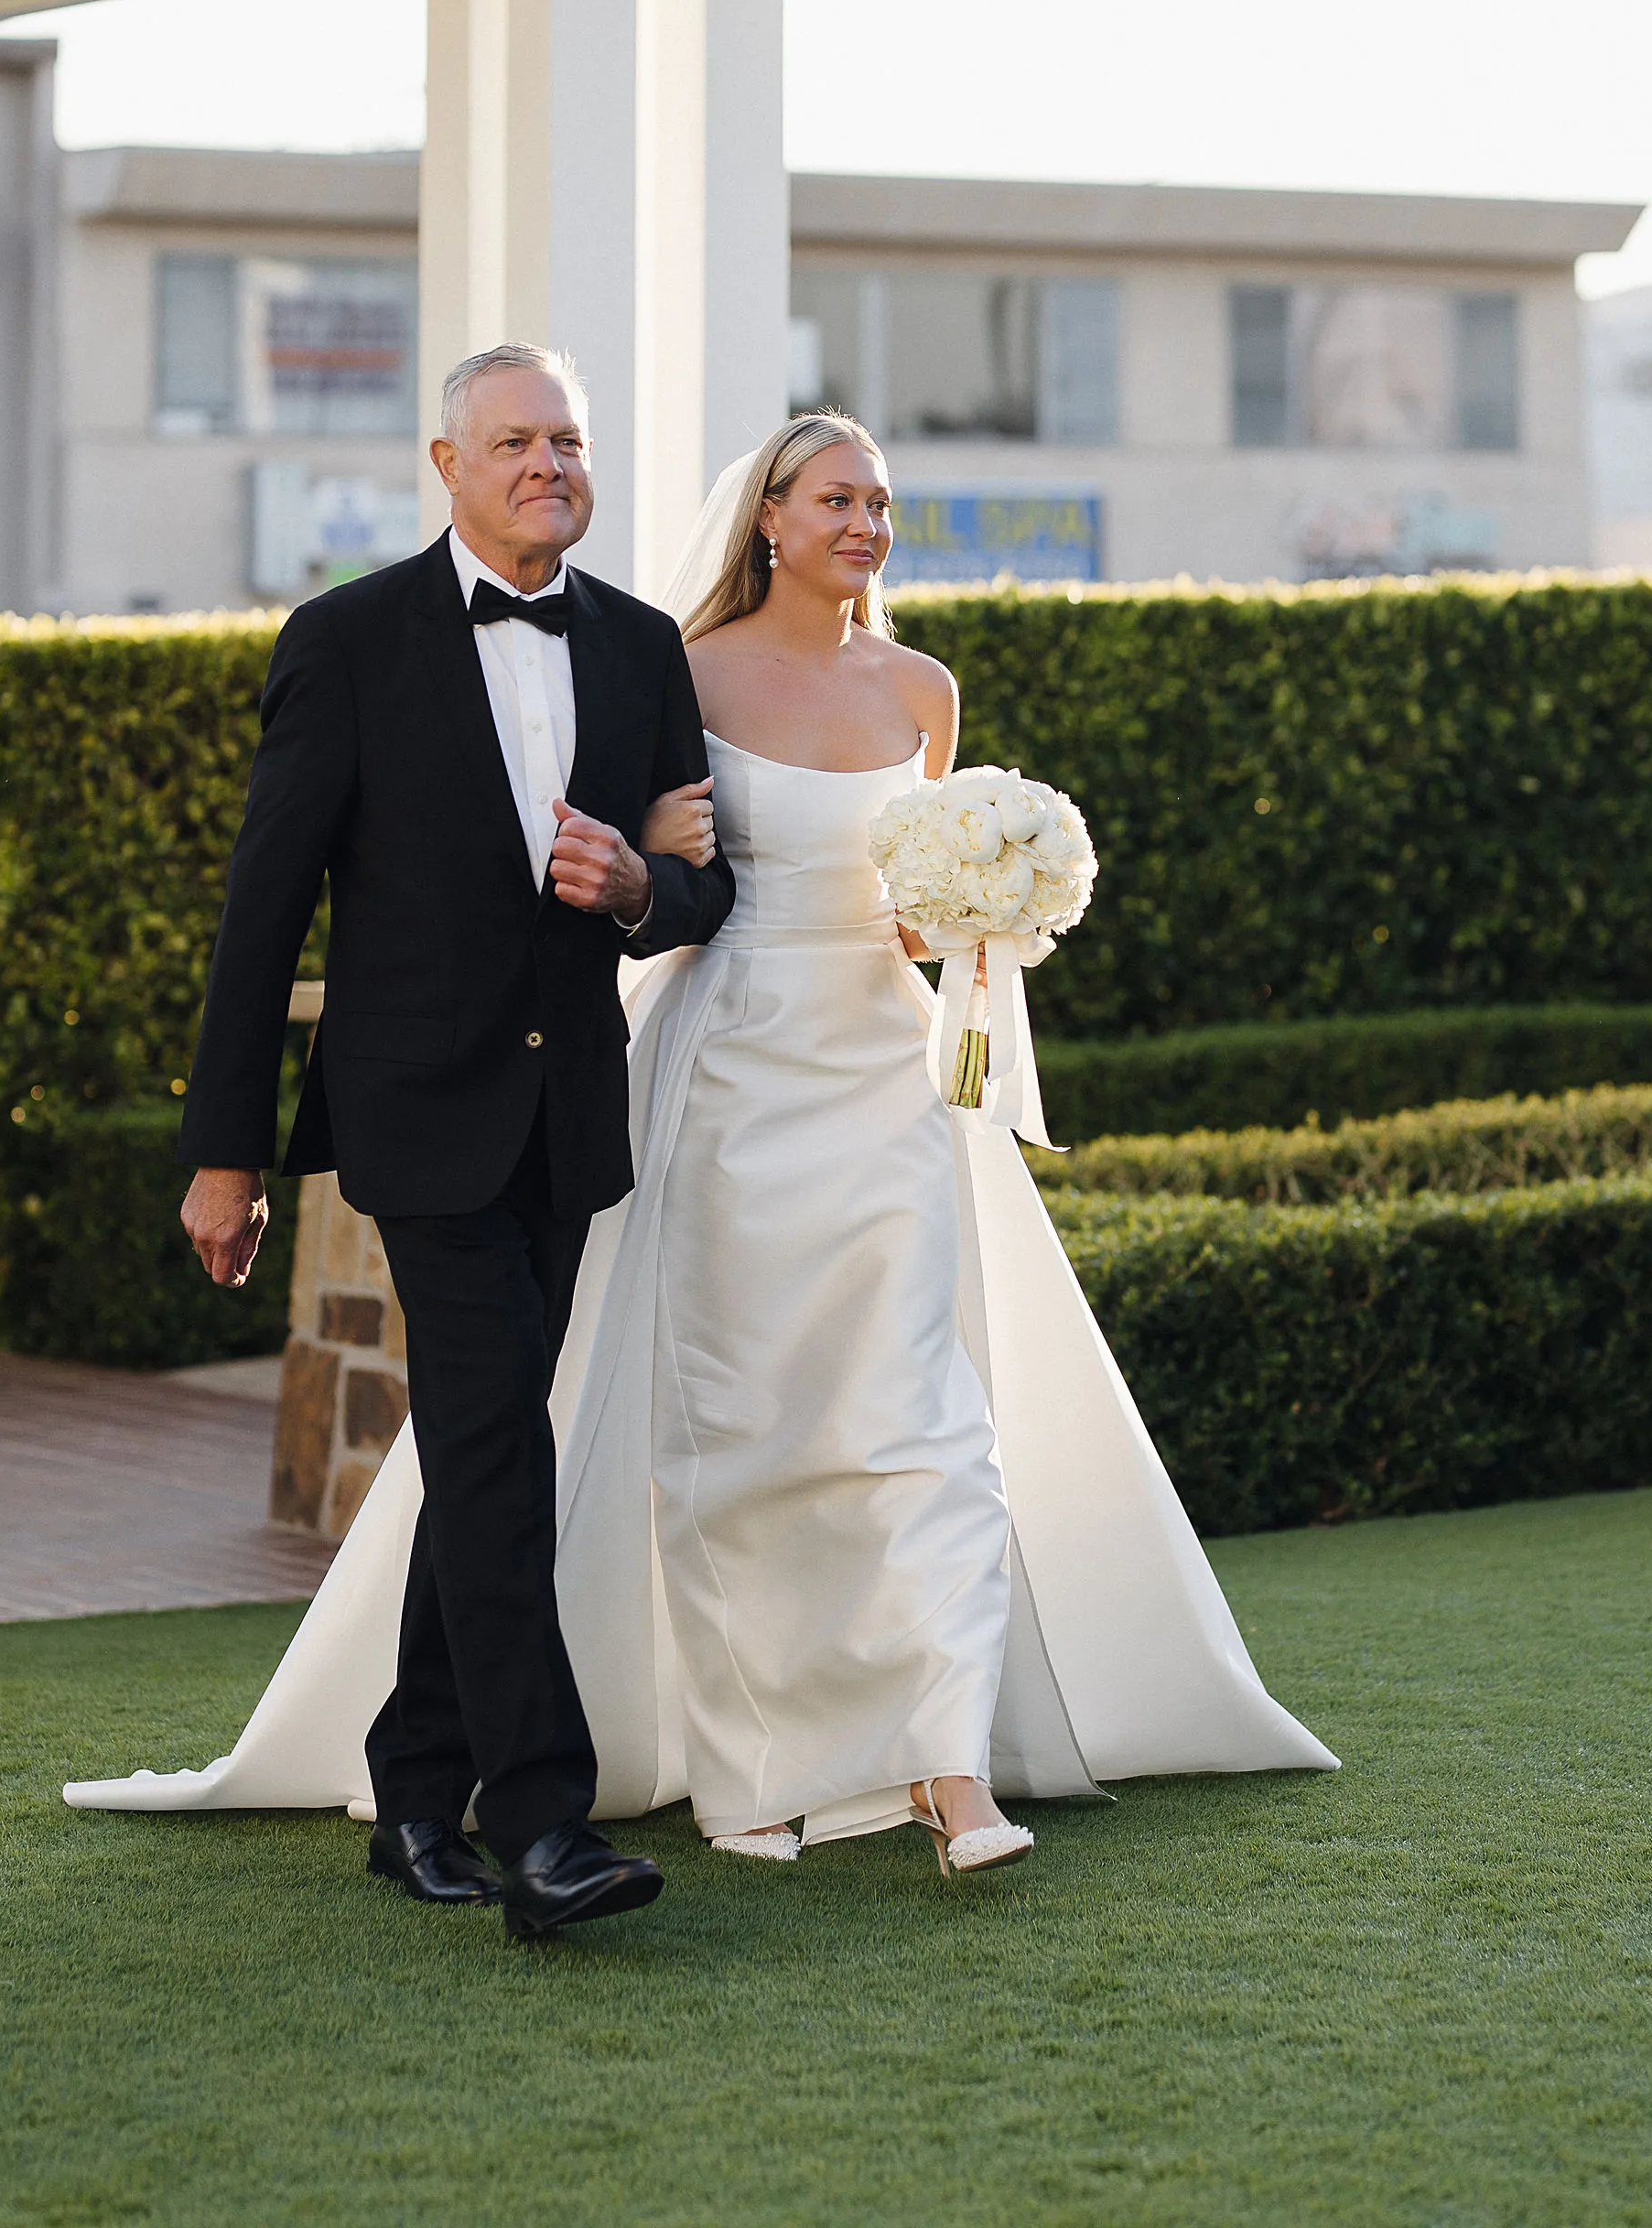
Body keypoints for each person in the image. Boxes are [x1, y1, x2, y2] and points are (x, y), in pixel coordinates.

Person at [67, 411, 1335, 1876]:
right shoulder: (629, 659)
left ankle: (944, 1764)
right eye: (837, 497)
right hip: (702, 1075)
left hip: (877, 1082)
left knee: (919, 1424)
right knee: (645, 1432)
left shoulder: (859, 679)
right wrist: (228, 1149)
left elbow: (770, 896)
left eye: (881, 502)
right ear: (769, 517)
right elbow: (349, 892)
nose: (865, 523)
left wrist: (962, 918)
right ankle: (668, 1779)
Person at [167, 341, 734, 1940]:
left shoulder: (640, 647)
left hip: (568, 1117)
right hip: (417, 1116)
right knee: (500, 1447)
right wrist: (226, 1154)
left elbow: (706, 886)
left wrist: (641, 889)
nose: (549, 464)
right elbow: (264, 909)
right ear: (448, 465)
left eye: (569, 441)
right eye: (516, 442)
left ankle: (415, 1787)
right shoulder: (345, 641)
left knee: (484, 1447)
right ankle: (543, 1827)